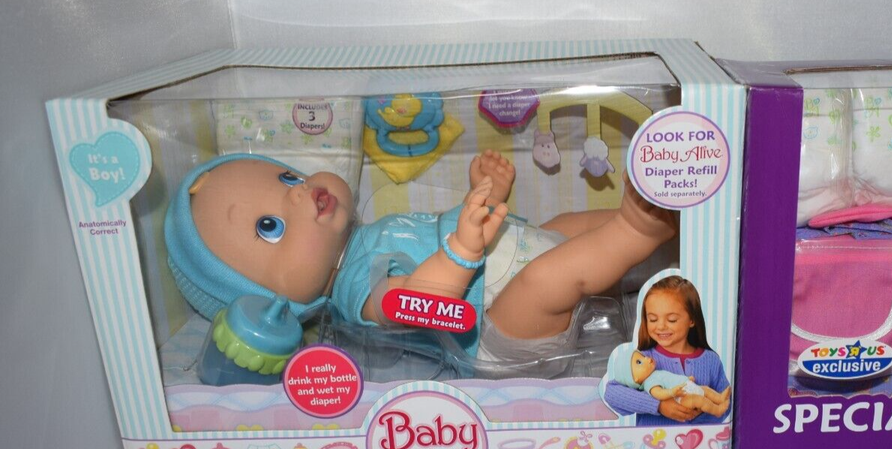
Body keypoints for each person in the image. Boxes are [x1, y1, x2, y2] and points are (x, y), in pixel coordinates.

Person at [164, 150, 677, 366]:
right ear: (275, 302)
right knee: (546, 279)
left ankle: (672, 233)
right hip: (497, 334)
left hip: (502, 266)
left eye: (287, 179)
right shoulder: (354, 292)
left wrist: (484, 196)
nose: (297, 194)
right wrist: (463, 249)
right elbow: (416, 304)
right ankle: (638, 228)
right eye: (270, 227)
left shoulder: (373, 233)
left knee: (561, 228)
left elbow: (442, 233)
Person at [603, 276, 732, 426]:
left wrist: (698, 417)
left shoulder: (710, 360)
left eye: (671, 320)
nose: (661, 326)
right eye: (653, 319)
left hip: (699, 439)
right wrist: (659, 405)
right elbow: (612, 393)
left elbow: (726, 403)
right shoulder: (644, 360)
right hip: (652, 440)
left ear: (692, 320)